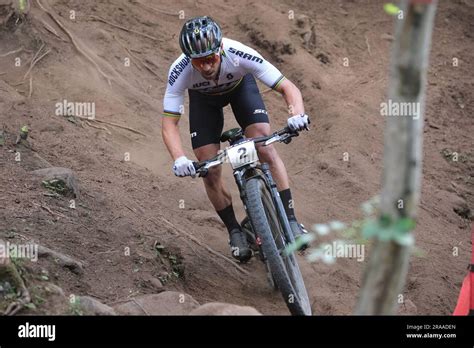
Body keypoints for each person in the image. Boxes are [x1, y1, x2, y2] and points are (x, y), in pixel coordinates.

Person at [162, 16, 310, 263]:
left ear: (220, 49)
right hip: (203, 101)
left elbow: (288, 87)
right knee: (209, 169)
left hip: (241, 90)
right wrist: (179, 158)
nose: (206, 67)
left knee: (263, 146)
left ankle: (291, 221)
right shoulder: (180, 71)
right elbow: (169, 124)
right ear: (189, 59)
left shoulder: (238, 53)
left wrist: (297, 115)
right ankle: (234, 231)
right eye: (199, 62)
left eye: (211, 59)